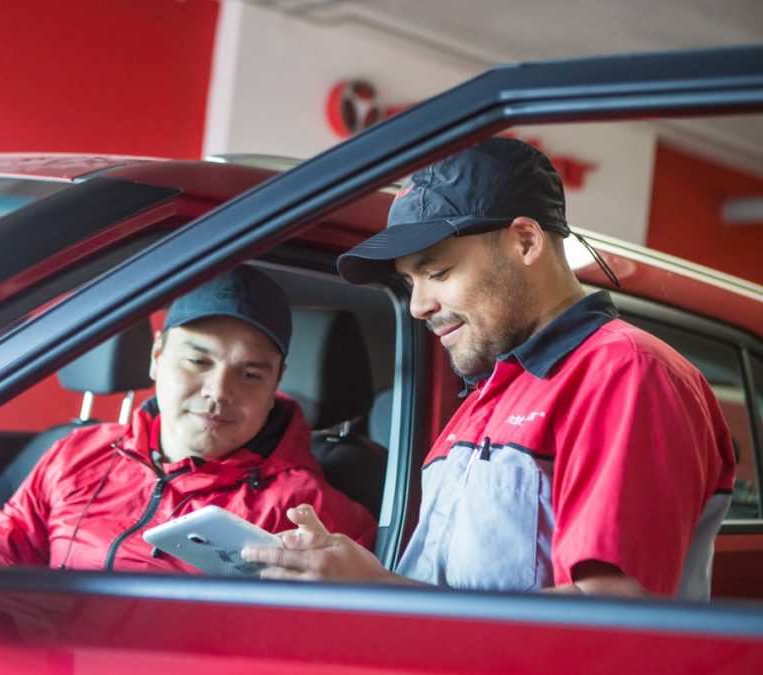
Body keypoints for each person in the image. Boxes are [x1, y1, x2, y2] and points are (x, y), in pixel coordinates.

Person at [242, 137, 736, 599]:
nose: (418, 306)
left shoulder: (625, 372)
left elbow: (609, 617)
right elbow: (446, 594)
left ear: (525, 241)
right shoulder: (485, 395)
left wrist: (382, 592)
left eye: (437, 273)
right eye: (410, 282)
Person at [0, 265, 377, 572]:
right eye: (197, 360)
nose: (219, 391)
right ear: (157, 356)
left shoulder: (307, 510)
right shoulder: (77, 454)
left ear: (275, 386)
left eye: (249, 374)